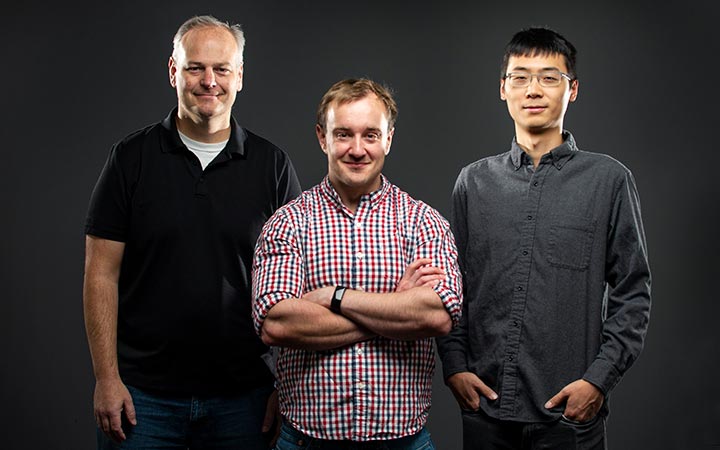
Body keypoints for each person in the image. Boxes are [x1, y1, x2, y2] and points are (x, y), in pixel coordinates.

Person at [83, 15, 301, 449]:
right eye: (195, 67)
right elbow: (100, 274)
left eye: (221, 69)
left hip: (245, 399)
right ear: (172, 71)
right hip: (142, 399)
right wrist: (106, 378)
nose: (209, 81)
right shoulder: (130, 159)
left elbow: (298, 286)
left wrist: (287, 385)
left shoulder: (271, 165)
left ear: (239, 75)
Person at [436, 27, 651, 449]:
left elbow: (634, 293)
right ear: (503, 89)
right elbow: (450, 286)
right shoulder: (472, 182)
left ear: (572, 90)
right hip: (486, 413)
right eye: (520, 77)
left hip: (568, 419)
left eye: (549, 77)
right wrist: (454, 366)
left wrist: (598, 381)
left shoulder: (609, 180)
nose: (533, 89)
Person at [251, 78, 463, 449]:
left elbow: (437, 315)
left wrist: (335, 296)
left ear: (388, 139)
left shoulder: (423, 221)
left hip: (404, 442)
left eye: (370, 135)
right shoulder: (287, 223)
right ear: (322, 138)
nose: (357, 149)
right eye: (343, 134)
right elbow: (276, 323)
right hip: (307, 441)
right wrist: (395, 309)